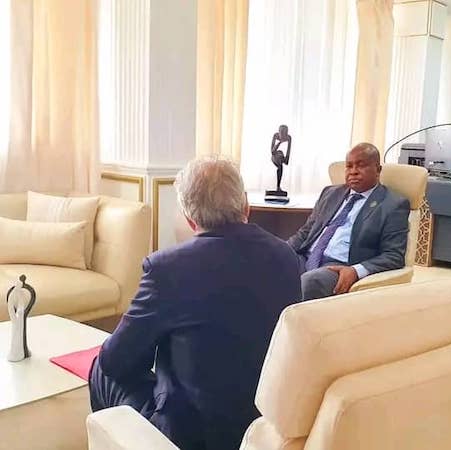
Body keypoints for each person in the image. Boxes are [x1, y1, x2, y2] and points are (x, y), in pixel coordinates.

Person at [89, 158, 302, 450]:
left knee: (101, 369)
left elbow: (116, 361)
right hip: (262, 425)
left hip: (191, 437)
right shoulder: (286, 256)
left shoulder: (167, 268)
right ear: (245, 205)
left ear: (190, 219)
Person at [288, 143, 410, 300]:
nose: (353, 171)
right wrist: (279, 250)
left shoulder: (392, 204)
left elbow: (393, 255)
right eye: (349, 166)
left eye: (361, 165)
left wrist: (356, 270)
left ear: (378, 170)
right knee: (265, 263)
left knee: (311, 281)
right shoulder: (330, 193)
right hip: (306, 257)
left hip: (338, 267)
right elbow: (306, 232)